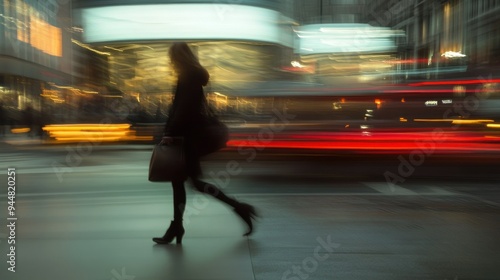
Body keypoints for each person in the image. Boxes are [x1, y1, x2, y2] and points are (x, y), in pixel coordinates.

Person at [153, 42, 258, 245]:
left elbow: (183, 109)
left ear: (178, 57)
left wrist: (170, 132)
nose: (170, 61)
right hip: (187, 137)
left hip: (188, 138)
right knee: (180, 183)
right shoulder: (191, 75)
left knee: (195, 184)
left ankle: (240, 208)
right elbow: (182, 108)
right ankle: (177, 226)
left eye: (172, 57)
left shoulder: (189, 76)